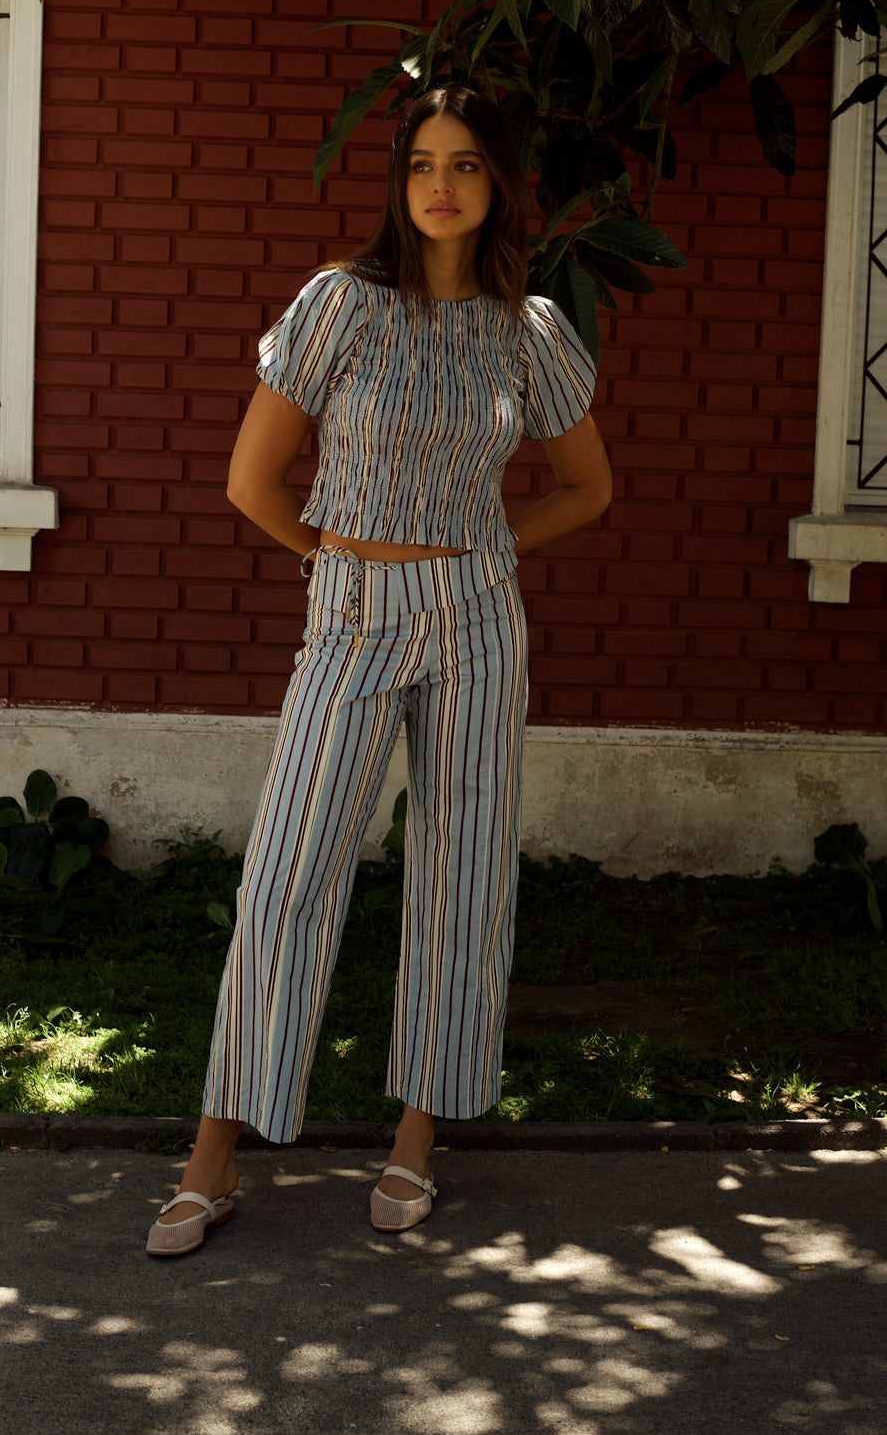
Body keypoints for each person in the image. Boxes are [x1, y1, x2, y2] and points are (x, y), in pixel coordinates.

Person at [147, 83, 612, 1256]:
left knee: (463, 876)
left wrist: (491, 549)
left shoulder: (528, 331)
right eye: (419, 164)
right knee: (285, 876)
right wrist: (331, 558)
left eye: (464, 163)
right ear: (399, 184)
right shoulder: (341, 305)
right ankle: (213, 1157)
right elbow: (252, 482)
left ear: (499, 183)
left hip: (479, 620)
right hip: (352, 610)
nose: (440, 185)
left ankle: (415, 1140)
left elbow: (587, 487)